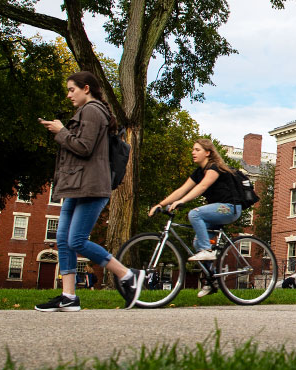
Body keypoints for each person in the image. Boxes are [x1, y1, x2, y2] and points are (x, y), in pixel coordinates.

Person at [36, 71, 144, 311]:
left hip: (92, 187)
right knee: (63, 240)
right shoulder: (87, 111)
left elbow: (83, 148)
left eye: (71, 89)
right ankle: (69, 296)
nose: (68, 95)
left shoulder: (93, 111)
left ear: (86, 88)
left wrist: (61, 131)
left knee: (76, 240)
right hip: (77, 185)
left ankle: (127, 275)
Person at [150, 138, 243, 297]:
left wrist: (182, 201)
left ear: (208, 153)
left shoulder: (214, 168)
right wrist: (160, 204)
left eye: (197, 149)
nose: (193, 152)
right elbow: (182, 189)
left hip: (229, 208)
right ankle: (211, 280)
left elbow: (203, 186)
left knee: (195, 213)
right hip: (217, 211)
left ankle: (207, 250)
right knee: (196, 242)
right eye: (193, 149)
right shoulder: (198, 172)